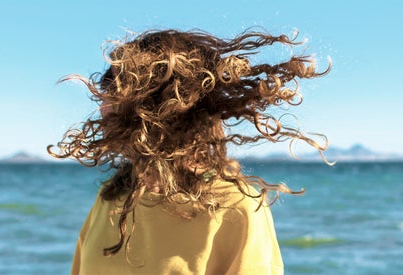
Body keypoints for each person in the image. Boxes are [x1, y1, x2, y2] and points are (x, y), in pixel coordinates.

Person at [48, 28, 330, 274]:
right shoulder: (113, 196)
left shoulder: (235, 209)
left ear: (162, 109)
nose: (102, 108)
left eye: (114, 93)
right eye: (105, 93)